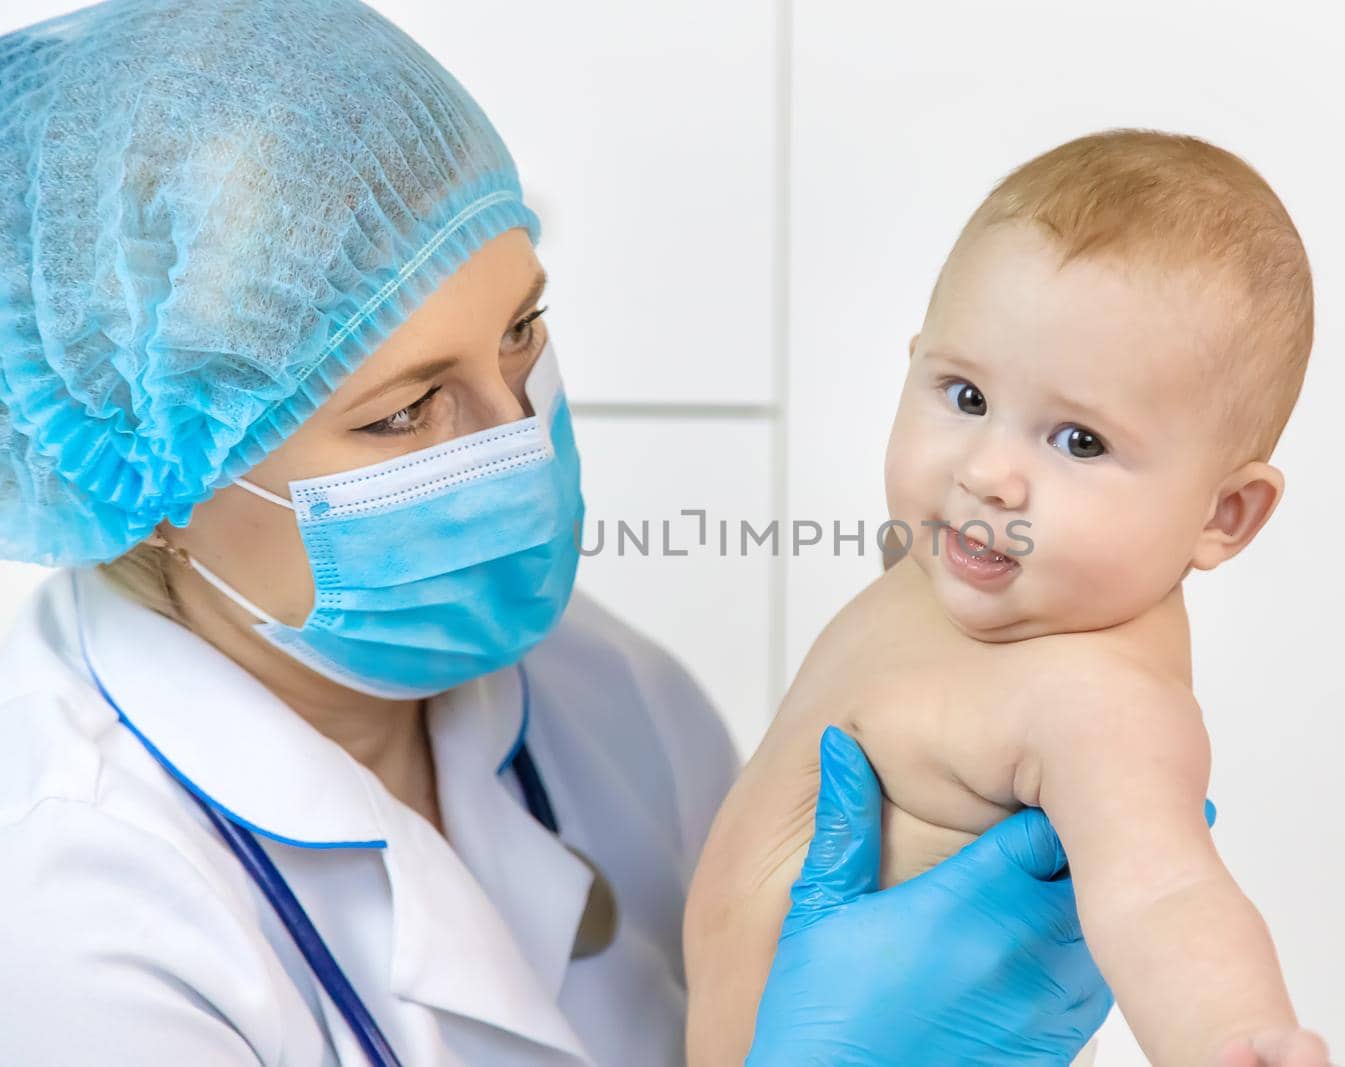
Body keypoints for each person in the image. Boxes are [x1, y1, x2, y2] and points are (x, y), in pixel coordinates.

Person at [0, 2, 1119, 1064]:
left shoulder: (609, 690)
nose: (517, 437)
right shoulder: (69, 906)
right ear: (149, 474)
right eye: (404, 408)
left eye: (521, 332)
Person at [685, 132, 1335, 1067]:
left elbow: (1165, 895)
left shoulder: (1101, 699)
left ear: (1224, 513)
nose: (989, 473)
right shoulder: (947, 566)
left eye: (1078, 442)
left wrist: (1231, 1040)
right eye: (965, 394)